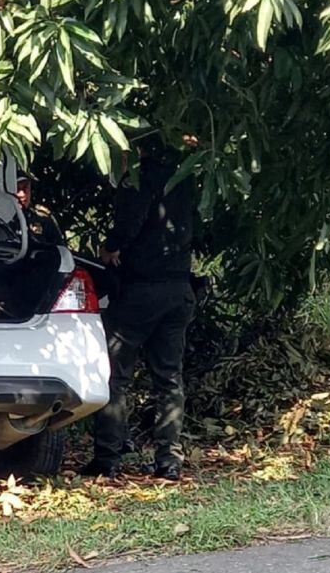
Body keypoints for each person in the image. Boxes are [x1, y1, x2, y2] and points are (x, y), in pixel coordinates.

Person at [79, 135, 196, 481]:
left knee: (116, 375)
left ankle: (107, 457)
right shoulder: (184, 177)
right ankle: (169, 460)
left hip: (141, 290)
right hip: (179, 287)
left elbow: (131, 219)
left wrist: (111, 246)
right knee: (169, 379)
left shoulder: (140, 178)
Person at [15, 174, 65, 246]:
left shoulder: (42, 218)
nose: (22, 194)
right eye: (17, 189)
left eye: (25, 187)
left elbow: (60, 249)